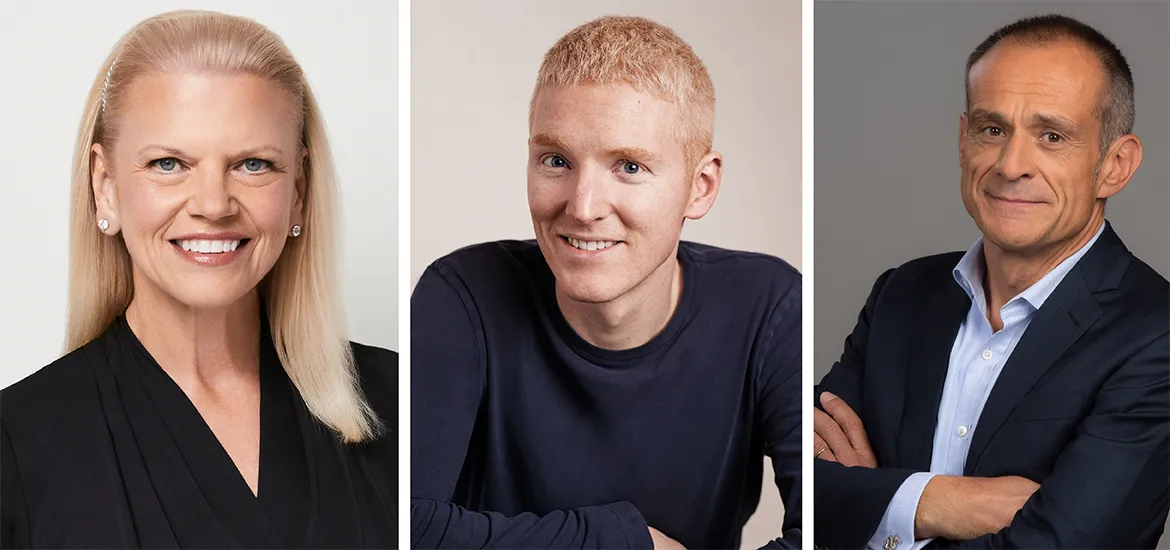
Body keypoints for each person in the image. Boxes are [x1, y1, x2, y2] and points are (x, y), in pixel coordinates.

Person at [0, 11, 397, 549]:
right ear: (105, 187)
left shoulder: (397, 400)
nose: (213, 205)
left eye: (253, 164)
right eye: (169, 164)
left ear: (299, 190)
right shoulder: (17, 443)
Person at [411, 15, 801, 550]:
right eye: (556, 160)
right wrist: (625, 539)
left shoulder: (770, 309)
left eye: (629, 167)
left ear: (700, 187)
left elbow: (828, 533)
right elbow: (404, 526)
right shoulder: (462, 297)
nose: (583, 207)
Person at [813, 14, 1168, 549]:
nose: (1011, 164)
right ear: (963, 140)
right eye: (992, 129)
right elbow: (806, 480)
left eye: (1052, 136)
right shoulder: (901, 294)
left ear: (1115, 165)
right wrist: (935, 502)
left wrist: (875, 504)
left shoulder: (1156, 333)